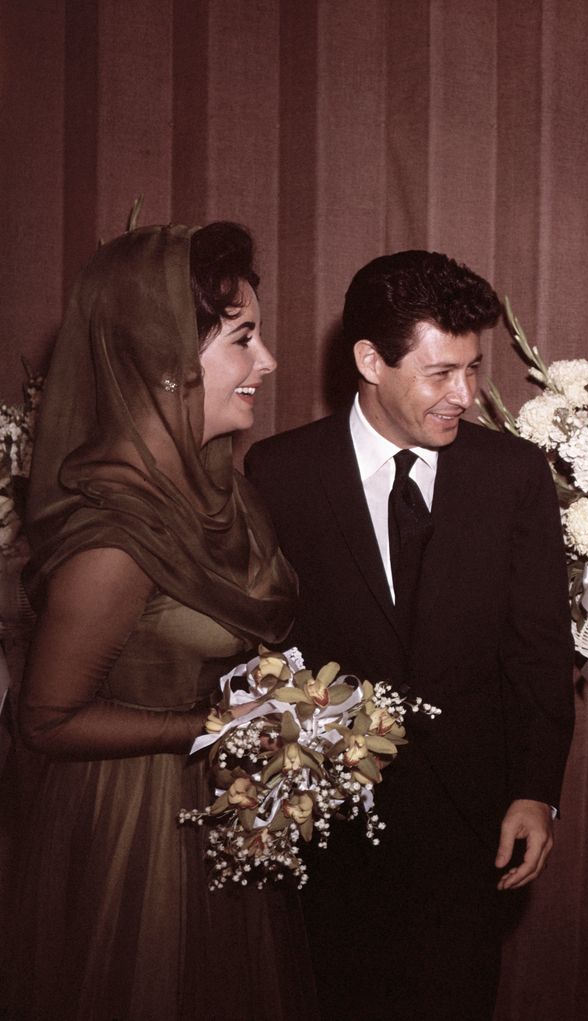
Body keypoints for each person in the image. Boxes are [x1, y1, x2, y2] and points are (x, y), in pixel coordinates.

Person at [245, 249, 575, 1020]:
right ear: (369, 359)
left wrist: (536, 790)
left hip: (472, 826)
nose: (465, 394)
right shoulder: (278, 472)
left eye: (472, 368)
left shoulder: (514, 474)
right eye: (440, 373)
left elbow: (538, 647)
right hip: (330, 827)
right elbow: (258, 651)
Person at [5, 223, 315, 1020]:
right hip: (131, 830)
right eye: (243, 339)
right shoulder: (115, 534)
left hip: (209, 801)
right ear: (168, 358)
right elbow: (43, 719)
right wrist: (210, 726)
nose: (268, 361)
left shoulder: (221, 488)